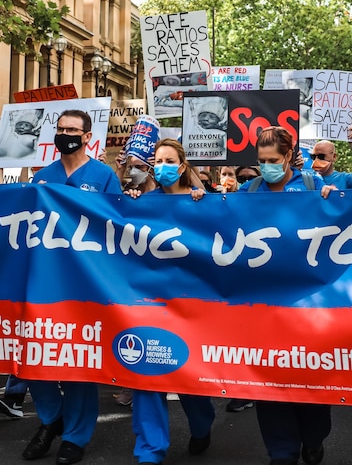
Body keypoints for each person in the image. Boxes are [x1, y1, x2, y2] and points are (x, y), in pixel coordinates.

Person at [21, 109, 122, 465]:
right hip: (44, 284)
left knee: (78, 359)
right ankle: (51, 420)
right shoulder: (42, 178)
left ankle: (75, 436)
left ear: (87, 136)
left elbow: (117, 226)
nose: (65, 134)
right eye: (60, 129)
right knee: (36, 358)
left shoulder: (104, 175)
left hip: (84, 284)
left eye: (72, 130)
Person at [241, 126, 335, 465]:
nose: (267, 166)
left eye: (273, 160)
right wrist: (197, 198)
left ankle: (313, 438)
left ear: (288, 156)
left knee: (308, 377)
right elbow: (216, 223)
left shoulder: (312, 185)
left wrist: (335, 201)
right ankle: (281, 452)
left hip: (308, 304)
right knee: (269, 382)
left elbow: (341, 221)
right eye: (262, 160)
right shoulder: (248, 190)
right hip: (263, 306)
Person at [125, 138, 215, 465]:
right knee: (146, 377)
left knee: (189, 376)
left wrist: (207, 202)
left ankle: (202, 424)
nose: (161, 166)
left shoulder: (201, 202)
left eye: (168, 160)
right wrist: (129, 202)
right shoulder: (142, 203)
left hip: (192, 306)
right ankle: (150, 451)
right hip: (149, 306)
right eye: (157, 160)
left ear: (181, 166)